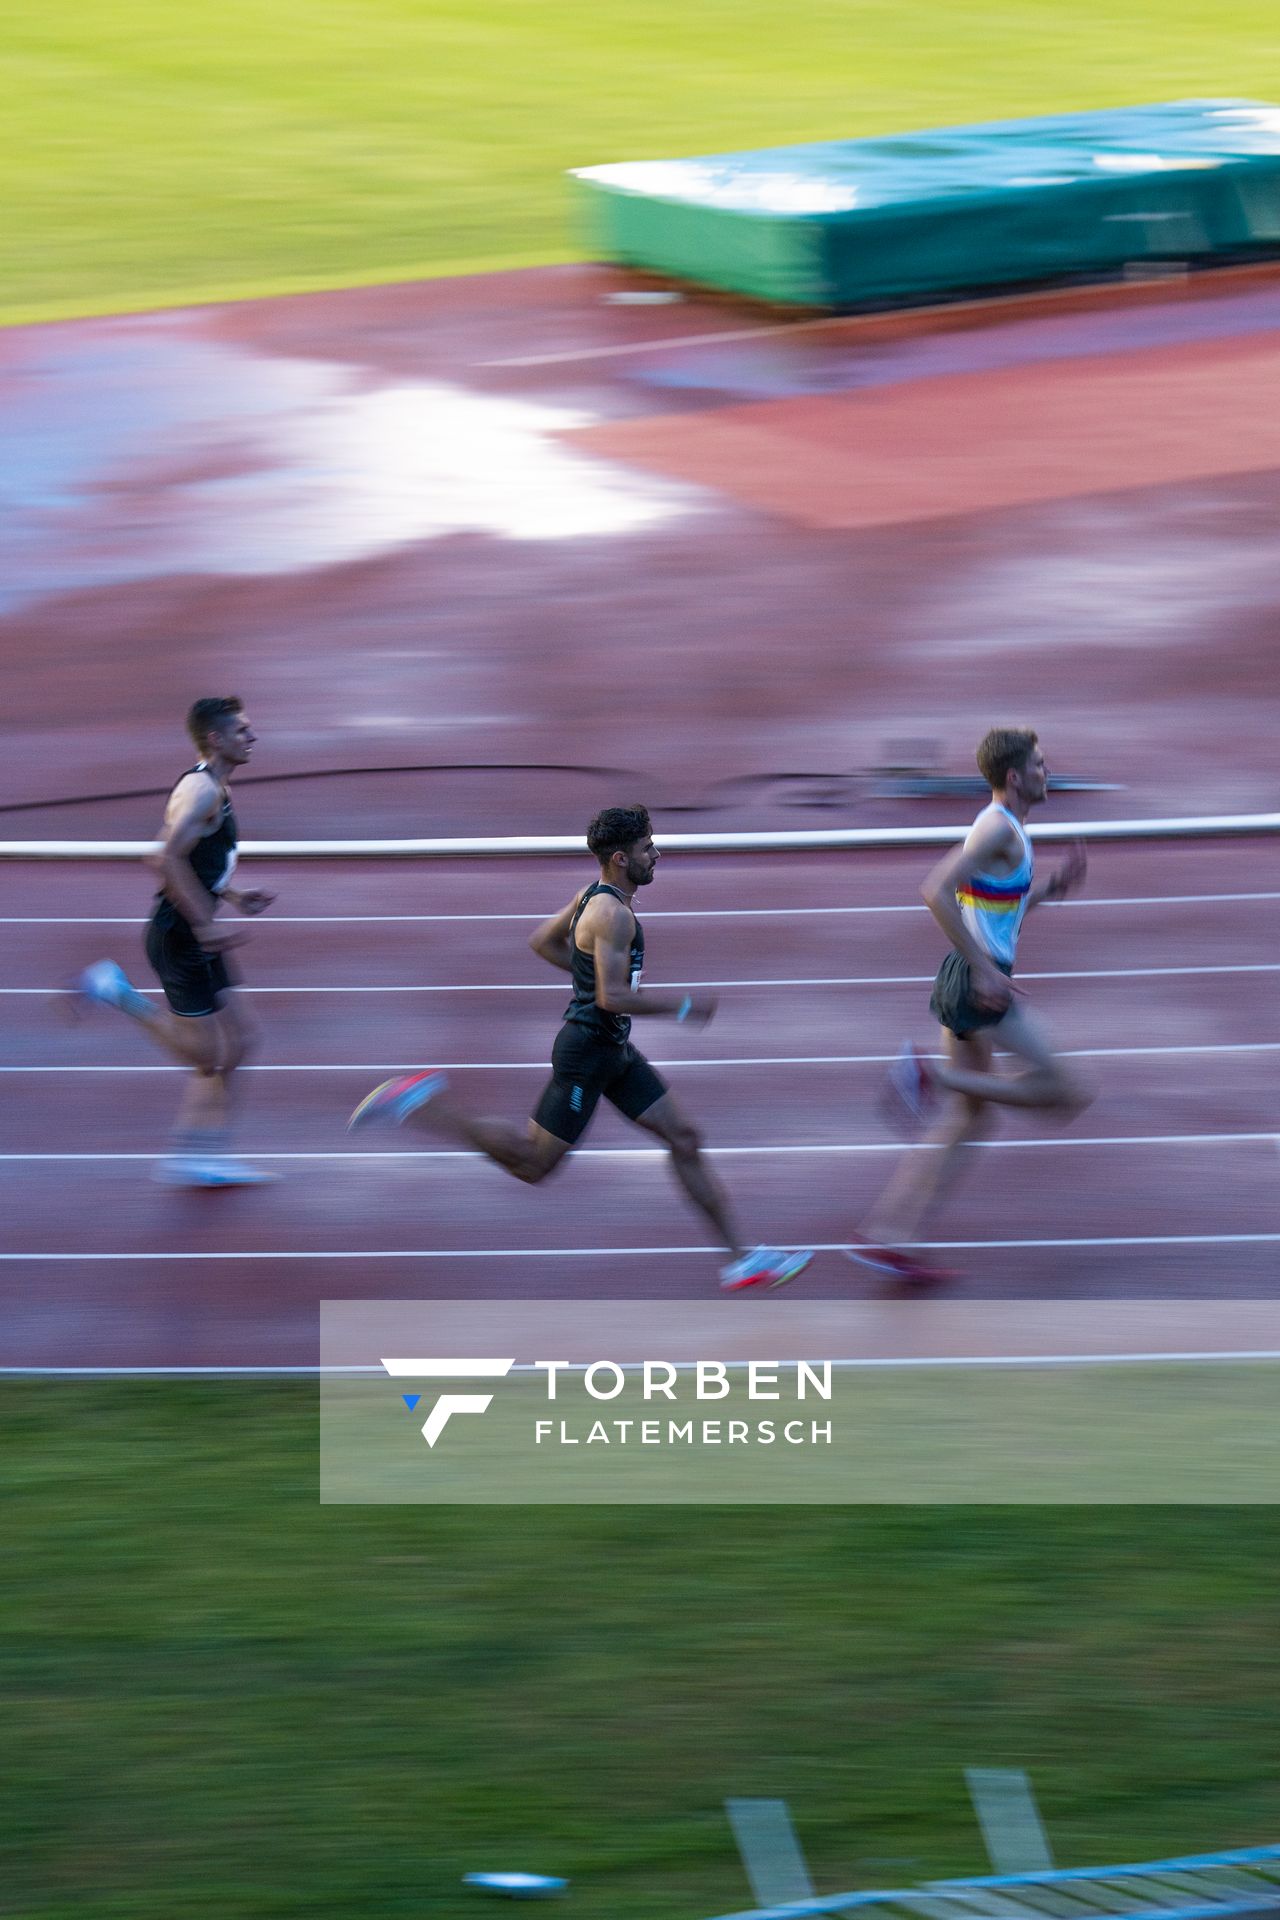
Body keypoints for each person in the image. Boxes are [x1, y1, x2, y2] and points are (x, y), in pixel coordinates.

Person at [348, 804, 811, 1291]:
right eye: (646, 848)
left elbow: (543, 942)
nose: (656, 854)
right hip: (588, 1054)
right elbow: (612, 998)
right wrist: (682, 1006)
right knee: (533, 1163)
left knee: (685, 1137)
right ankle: (420, 1103)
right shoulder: (613, 915)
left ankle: (742, 1258)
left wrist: (588, 977)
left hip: (613, 1050)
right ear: (619, 858)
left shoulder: (592, 896)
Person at [851, 727, 1090, 1282]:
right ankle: (933, 1076)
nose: (1046, 771)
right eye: (1039, 764)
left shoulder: (1007, 830)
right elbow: (935, 890)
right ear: (1014, 776)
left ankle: (887, 1236)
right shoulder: (996, 829)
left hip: (970, 979)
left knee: (970, 1121)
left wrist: (1045, 893)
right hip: (975, 984)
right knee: (1068, 1090)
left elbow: (988, 905)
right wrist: (987, 972)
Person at [76, 696, 275, 1186]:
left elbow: (194, 860)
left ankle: (201, 1154)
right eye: (243, 730)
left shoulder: (214, 788)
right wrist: (205, 925)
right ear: (216, 738)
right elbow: (164, 858)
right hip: (181, 939)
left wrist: (231, 893)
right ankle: (116, 993)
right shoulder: (203, 792)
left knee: (242, 1043)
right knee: (205, 1058)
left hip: (198, 937)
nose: (252, 737)